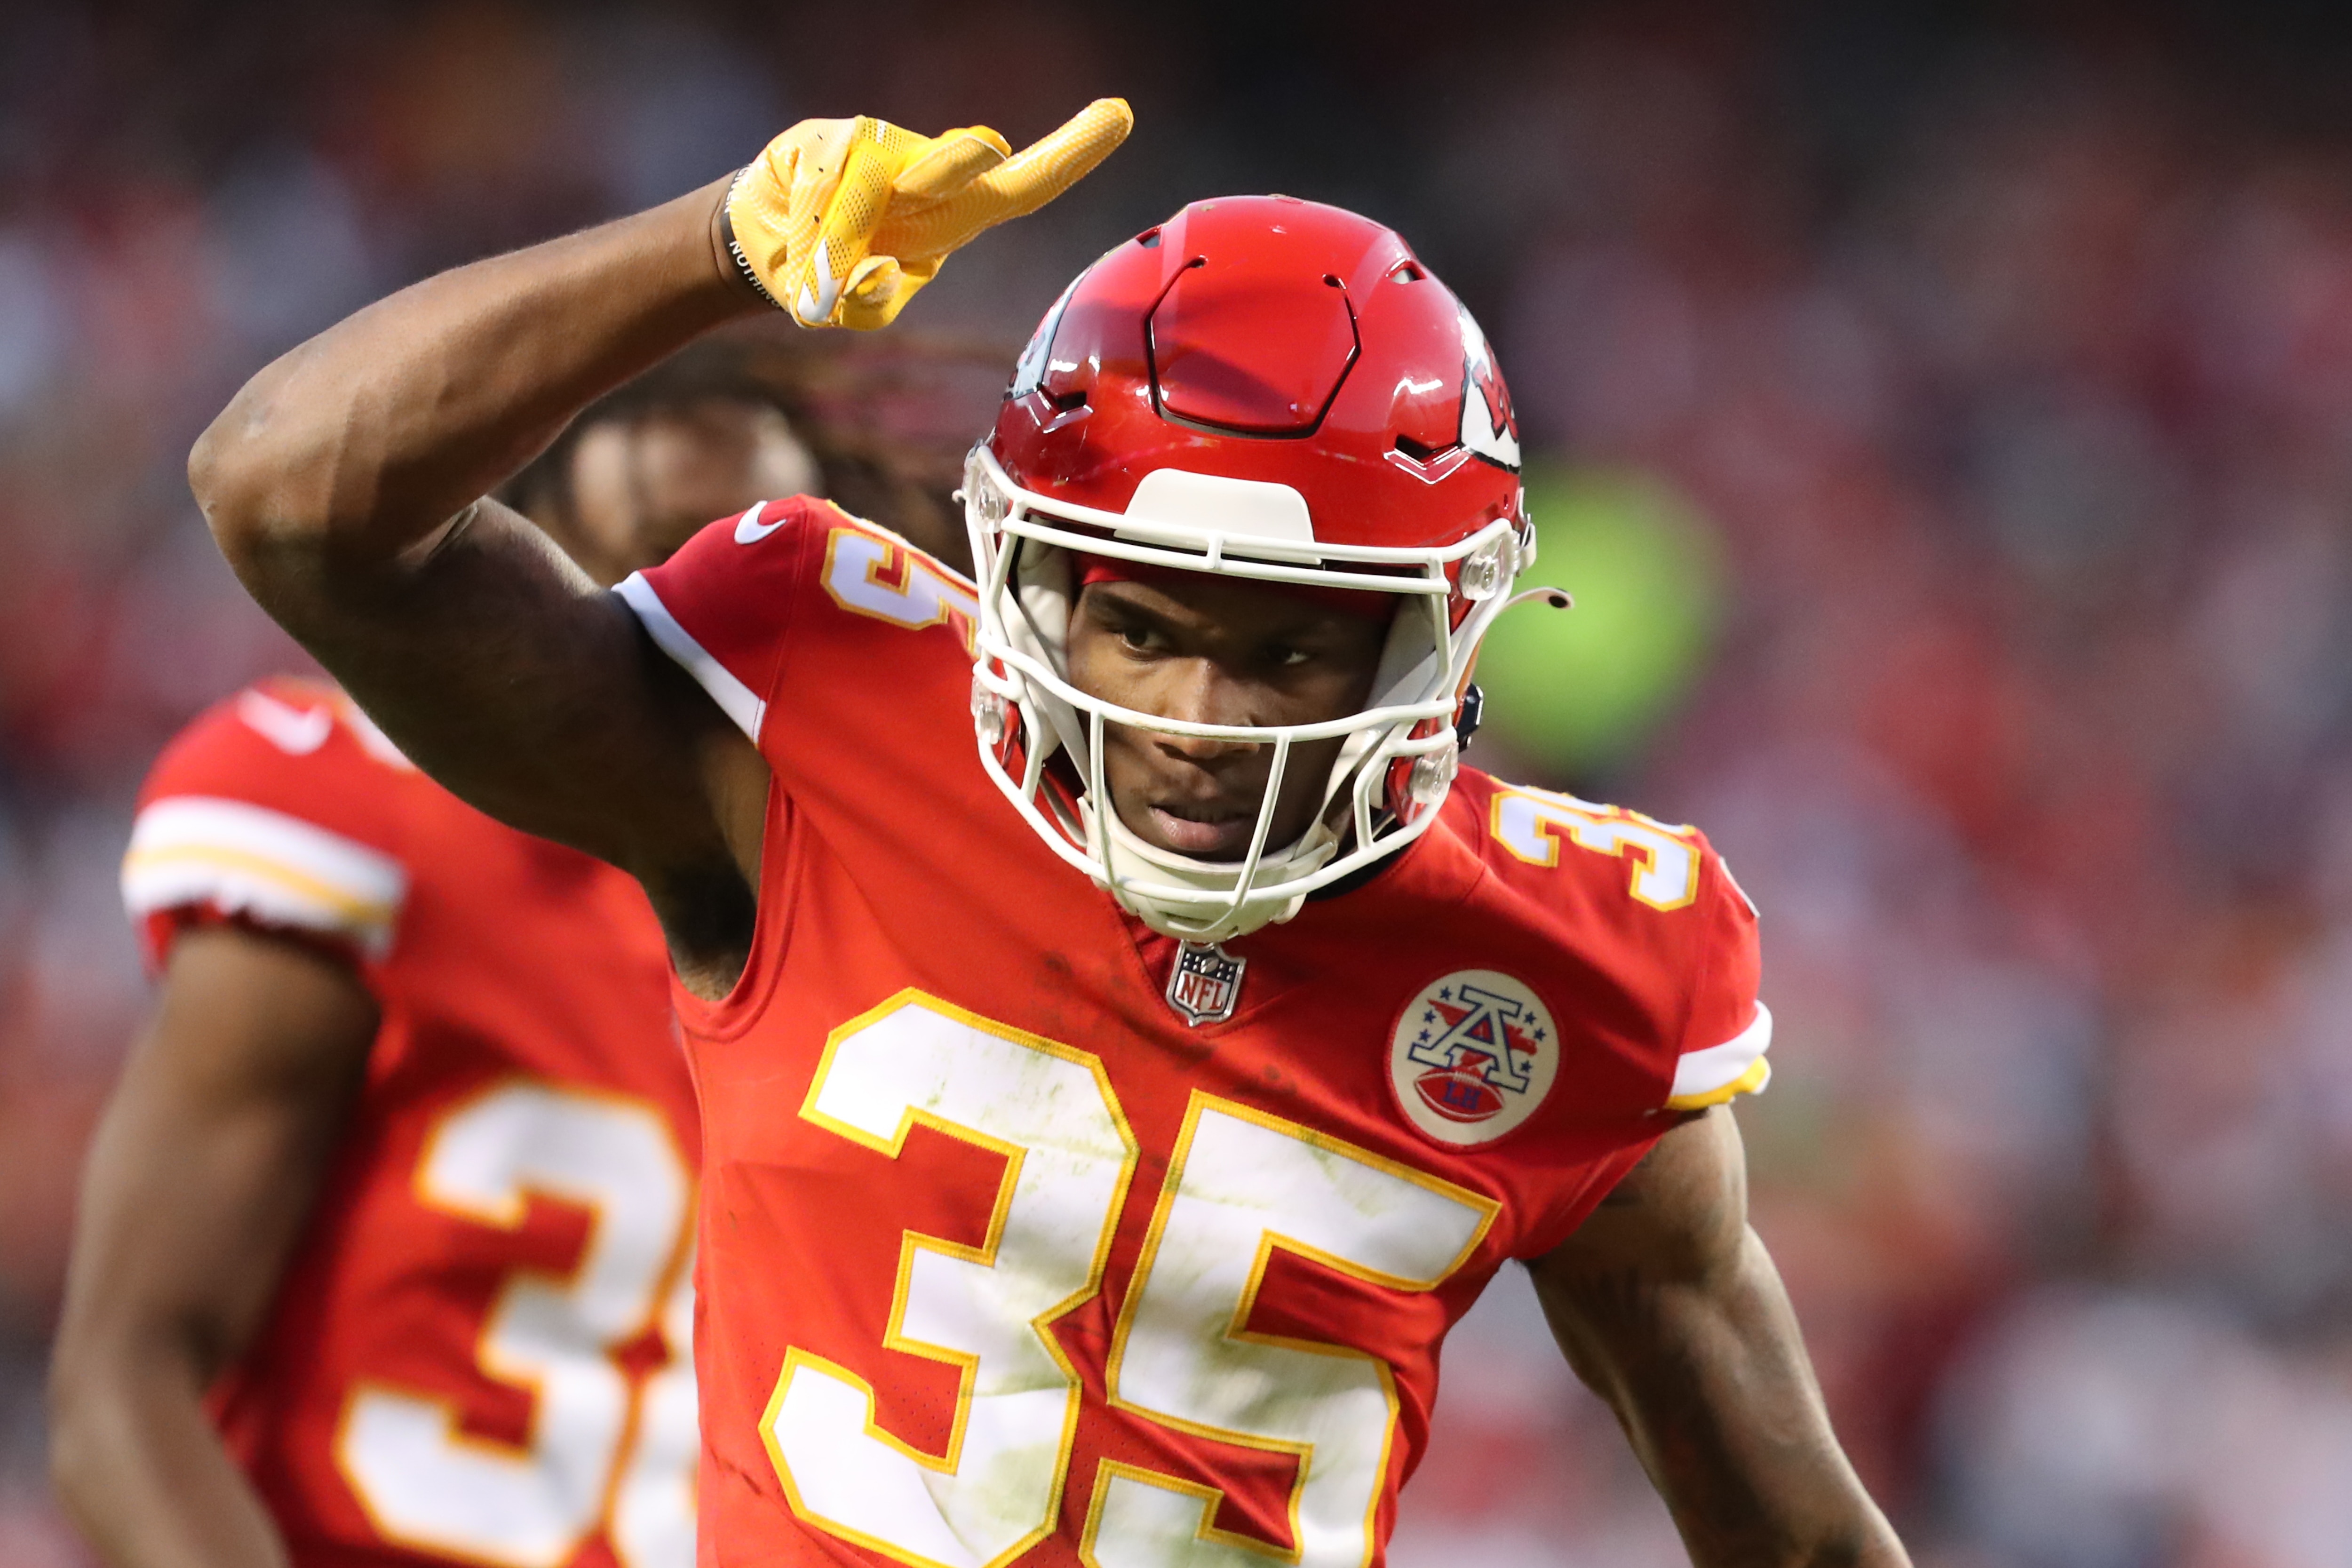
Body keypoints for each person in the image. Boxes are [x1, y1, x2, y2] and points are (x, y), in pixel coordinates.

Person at [167, 97, 1910, 1567]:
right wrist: (722, 242)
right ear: (1029, 588)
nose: (1197, 728)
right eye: (1140, 629)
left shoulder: (1573, 973)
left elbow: (1801, 1539)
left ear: (1432, 637)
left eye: (1290, 647)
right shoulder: (806, 744)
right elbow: (292, 498)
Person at [45, 339, 929, 1568]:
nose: (691, 642)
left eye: (745, 583)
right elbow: (121, 1390)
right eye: (646, 568)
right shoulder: (368, 821)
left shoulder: (891, 932)